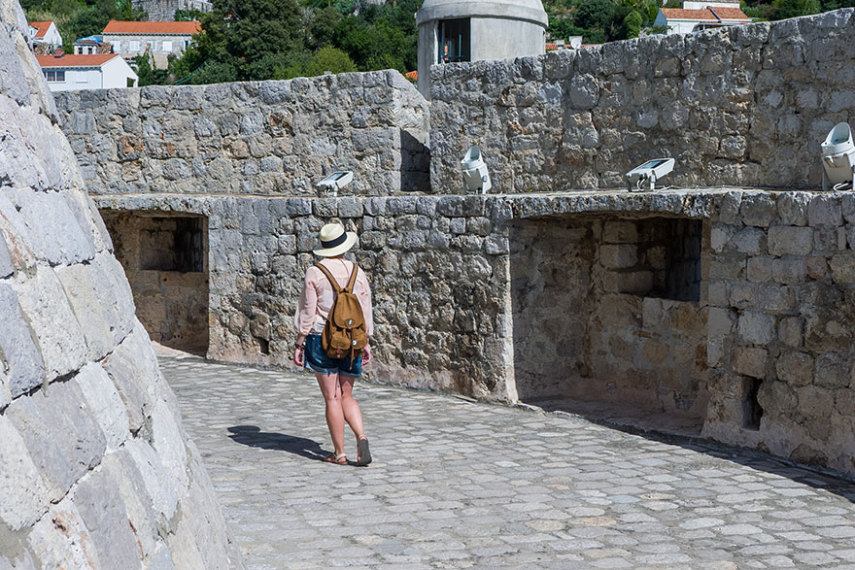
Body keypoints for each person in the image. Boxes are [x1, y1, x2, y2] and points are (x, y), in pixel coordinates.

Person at [293, 223, 373, 466]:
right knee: (347, 395)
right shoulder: (357, 272)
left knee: (332, 398)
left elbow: (309, 311)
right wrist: (366, 340)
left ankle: (339, 453)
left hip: (321, 338)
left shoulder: (315, 272)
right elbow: (365, 309)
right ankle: (361, 436)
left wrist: (299, 341)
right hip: (352, 340)